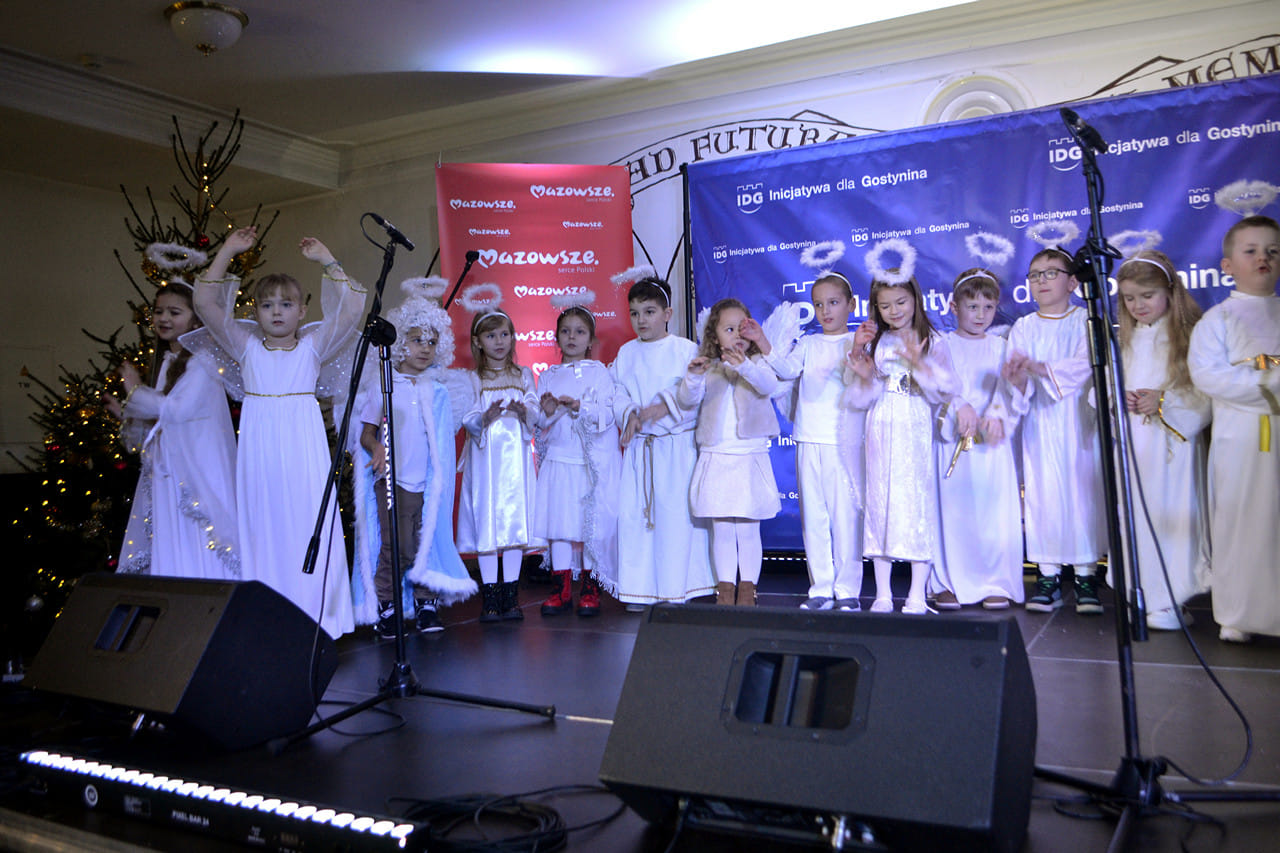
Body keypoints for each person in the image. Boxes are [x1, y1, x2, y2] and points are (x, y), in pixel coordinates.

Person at [192, 226, 362, 639]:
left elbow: (353, 308)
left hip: (303, 444)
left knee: (307, 520)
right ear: (256, 312)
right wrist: (227, 250)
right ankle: (271, 619)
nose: (277, 312)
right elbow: (204, 303)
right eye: (267, 305)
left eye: (286, 304)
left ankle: (319, 615)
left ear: (302, 311)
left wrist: (327, 259)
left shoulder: (313, 347)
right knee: (264, 523)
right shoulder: (245, 346)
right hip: (260, 446)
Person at [351, 280, 477, 636]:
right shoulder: (384, 385)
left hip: (427, 485)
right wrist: (377, 448)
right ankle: (387, 603)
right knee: (397, 545)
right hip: (394, 482)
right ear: (400, 344)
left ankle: (425, 603)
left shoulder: (437, 392)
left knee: (427, 543)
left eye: (432, 342)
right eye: (418, 340)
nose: (425, 348)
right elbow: (366, 432)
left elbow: (442, 440)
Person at [1188, 215, 1280, 642]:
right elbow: (1209, 377)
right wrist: (1271, 388)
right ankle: (1238, 614)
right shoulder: (1216, 321)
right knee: (1241, 517)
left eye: (1272, 251)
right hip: (1239, 437)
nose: (1263, 258)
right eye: (1252, 251)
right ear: (1227, 265)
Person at [109, 282, 238, 580]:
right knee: (172, 538)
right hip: (171, 473)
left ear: (195, 320)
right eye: (159, 312)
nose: (164, 318)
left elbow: (177, 410)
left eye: (174, 312)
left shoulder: (204, 361)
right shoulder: (168, 361)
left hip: (195, 474)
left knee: (198, 539)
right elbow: (159, 422)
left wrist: (135, 392)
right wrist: (127, 412)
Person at [845, 272, 957, 614]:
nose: (894, 311)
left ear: (915, 300)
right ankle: (883, 593)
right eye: (885, 305)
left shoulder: (933, 340)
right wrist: (865, 376)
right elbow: (861, 396)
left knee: (914, 504)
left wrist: (920, 366)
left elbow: (945, 391)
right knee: (880, 504)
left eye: (901, 302)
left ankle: (917, 594)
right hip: (880, 424)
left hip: (914, 423)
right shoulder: (876, 342)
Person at [1003, 248, 1107, 615]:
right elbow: (1017, 380)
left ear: (1073, 281)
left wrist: (1040, 368)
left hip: (1079, 421)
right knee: (1043, 493)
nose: (1041, 281)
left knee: (1082, 495)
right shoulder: (1024, 327)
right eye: (1035, 275)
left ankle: (1086, 575)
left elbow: (1084, 366)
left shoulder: (1087, 321)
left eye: (1051, 273)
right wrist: (1018, 378)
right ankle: (1047, 576)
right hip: (1040, 423)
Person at [1114, 250, 1211, 631]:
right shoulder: (1122, 340)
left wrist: (1164, 401)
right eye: (1129, 298)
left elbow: (1206, 393)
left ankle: (1169, 600)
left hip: (1172, 449)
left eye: (1147, 296)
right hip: (1133, 447)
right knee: (1136, 516)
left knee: (1171, 517)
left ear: (1170, 292)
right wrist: (1116, 399)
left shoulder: (1190, 337)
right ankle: (1141, 594)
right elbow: (1099, 389)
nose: (1138, 305)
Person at [610, 276, 714, 610]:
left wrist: (661, 409)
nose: (641, 320)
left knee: (674, 521)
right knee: (637, 521)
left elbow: (695, 394)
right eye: (634, 313)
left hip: (675, 450)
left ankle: (677, 589)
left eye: (649, 311)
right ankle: (640, 591)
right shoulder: (626, 353)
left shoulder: (685, 349)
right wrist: (629, 413)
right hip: (641, 450)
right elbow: (616, 391)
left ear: (667, 314)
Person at [770, 272, 871, 610]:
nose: (826, 311)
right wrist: (763, 343)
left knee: (846, 519)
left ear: (851, 304)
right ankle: (821, 589)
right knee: (813, 519)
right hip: (808, 439)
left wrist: (858, 349)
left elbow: (859, 382)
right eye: (818, 304)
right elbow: (785, 370)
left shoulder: (858, 341)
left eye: (833, 302)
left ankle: (848, 590)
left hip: (844, 443)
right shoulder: (809, 344)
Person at [930, 270, 1023, 610]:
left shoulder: (1001, 346)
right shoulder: (942, 345)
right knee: (954, 512)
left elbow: (1011, 390)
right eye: (972, 307)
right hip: (951, 439)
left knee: (991, 512)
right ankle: (948, 581)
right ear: (954, 307)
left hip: (990, 444)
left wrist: (994, 415)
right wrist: (958, 409)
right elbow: (936, 386)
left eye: (988, 307)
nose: (981, 315)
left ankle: (995, 580)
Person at [679, 299, 781, 606]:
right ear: (714, 335)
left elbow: (768, 386)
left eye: (742, 327)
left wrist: (744, 365)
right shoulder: (710, 368)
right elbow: (688, 400)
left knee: (748, 528)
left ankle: (748, 590)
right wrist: (693, 377)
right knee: (721, 528)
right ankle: (725, 590)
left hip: (749, 455)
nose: (737, 334)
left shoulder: (758, 364)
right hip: (717, 454)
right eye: (729, 329)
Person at [533, 299, 621, 617]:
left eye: (580, 332)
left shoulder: (600, 373)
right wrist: (548, 412)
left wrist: (579, 406)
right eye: (566, 331)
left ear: (591, 339)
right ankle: (560, 590)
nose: (572, 337)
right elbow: (539, 424)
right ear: (556, 337)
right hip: (559, 460)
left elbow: (608, 415)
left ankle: (590, 589)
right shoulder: (548, 376)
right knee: (559, 525)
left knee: (587, 527)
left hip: (588, 464)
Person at [456, 295, 539, 623]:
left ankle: (511, 595)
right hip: (486, 461)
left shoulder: (523, 374)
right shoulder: (472, 379)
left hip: (516, 463)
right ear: (478, 341)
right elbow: (467, 417)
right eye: (491, 336)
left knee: (515, 523)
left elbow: (534, 409)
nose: (499, 341)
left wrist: (525, 411)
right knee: (487, 523)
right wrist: (484, 418)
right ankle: (490, 595)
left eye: (504, 334)